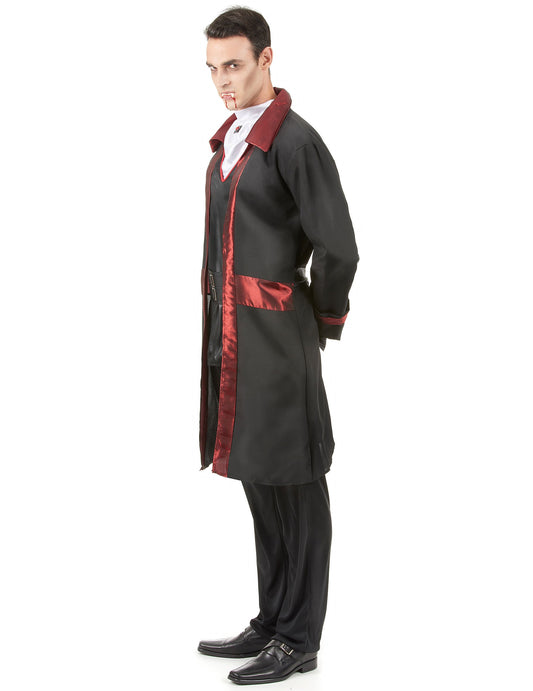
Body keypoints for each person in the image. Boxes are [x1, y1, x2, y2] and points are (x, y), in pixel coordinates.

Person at [197, 7, 359, 685]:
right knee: (260, 477)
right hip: (235, 338)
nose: (222, 81)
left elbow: (338, 247)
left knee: (296, 484)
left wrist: (318, 318)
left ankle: (299, 637)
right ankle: (272, 618)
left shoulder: (295, 143)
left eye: (234, 65)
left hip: (277, 337)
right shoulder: (231, 141)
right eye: (212, 69)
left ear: (267, 59)